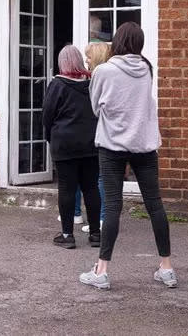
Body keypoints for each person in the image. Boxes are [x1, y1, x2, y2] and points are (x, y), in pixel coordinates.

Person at [79, 22, 176, 290]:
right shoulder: (146, 69)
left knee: (112, 207)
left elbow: (96, 107)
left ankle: (102, 270)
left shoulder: (103, 71)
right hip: (144, 144)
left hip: (112, 146)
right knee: (155, 205)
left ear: (117, 42)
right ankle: (166, 268)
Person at [42, 45, 101, 249]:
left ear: (62, 63)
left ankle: (67, 235)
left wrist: (50, 137)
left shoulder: (57, 84)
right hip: (91, 144)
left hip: (65, 144)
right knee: (91, 188)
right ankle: (96, 234)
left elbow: (47, 116)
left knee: (67, 190)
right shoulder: (91, 83)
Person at [80, 41, 111, 234]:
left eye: (89, 56)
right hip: (103, 133)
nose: (86, 60)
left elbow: (97, 108)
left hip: (104, 133)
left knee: (101, 178)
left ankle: (102, 219)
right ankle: (104, 217)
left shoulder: (100, 77)